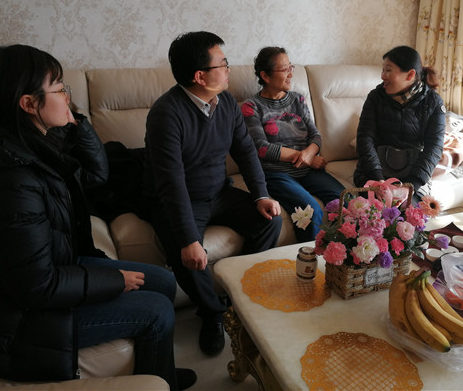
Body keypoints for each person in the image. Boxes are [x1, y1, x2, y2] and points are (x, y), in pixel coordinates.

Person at [0, 45, 196, 391]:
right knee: (157, 309)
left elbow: (94, 175)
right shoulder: (10, 180)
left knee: (162, 281)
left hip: (54, 268)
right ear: (28, 103)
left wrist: (76, 124)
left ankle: (159, 371)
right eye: (59, 89)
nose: (68, 98)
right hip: (17, 320)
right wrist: (114, 280)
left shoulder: (22, 137)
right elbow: (36, 287)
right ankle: (161, 382)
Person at [143, 32, 282, 356]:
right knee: (186, 251)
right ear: (200, 76)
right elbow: (171, 182)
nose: (229, 69)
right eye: (223, 64)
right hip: (180, 198)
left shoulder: (227, 103)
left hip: (219, 191)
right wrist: (189, 238)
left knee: (270, 221)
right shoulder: (166, 114)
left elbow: (246, 152)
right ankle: (212, 313)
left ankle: (240, 297)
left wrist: (261, 195)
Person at [241, 47, 345, 242]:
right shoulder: (251, 106)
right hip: (276, 174)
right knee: (310, 211)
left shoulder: (298, 99)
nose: (290, 74)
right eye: (284, 69)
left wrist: (308, 156)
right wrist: (307, 158)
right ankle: (309, 258)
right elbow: (261, 148)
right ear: (265, 76)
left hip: (308, 171)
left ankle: (342, 255)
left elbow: (315, 136)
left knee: (345, 202)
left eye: (291, 67)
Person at [353, 45, 446, 203]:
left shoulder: (433, 102)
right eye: (383, 70)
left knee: (409, 213)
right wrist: (378, 180)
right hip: (374, 173)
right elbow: (364, 138)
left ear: (410, 75)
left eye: (388, 70)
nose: (382, 76)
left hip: (411, 175)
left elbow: (434, 147)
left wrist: (411, 185)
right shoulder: (375, 97)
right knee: (373, 212)